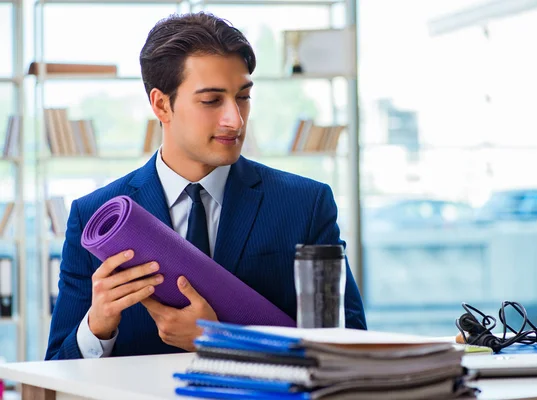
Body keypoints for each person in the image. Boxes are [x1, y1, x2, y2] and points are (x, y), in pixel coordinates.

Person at [45, 12, 367, 361]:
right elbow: (57, 368)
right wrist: (97, 327)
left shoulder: (305, 203)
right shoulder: (95, 217)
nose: (236, 119)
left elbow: (351, 347)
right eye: (212, 101)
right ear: (161, 104)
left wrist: (221, 340)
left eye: (242, 97)